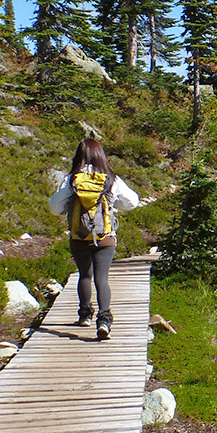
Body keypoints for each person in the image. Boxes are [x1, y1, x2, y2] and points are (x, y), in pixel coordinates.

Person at [48, 139, 140, 339]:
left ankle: (84, 315)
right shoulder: (110, 179)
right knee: (102, 278)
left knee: (85, 275)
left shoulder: (71, 179)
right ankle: (104, 320)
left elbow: (54, 208)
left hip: (78, 236)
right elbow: (133, 201)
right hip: (105, 236)